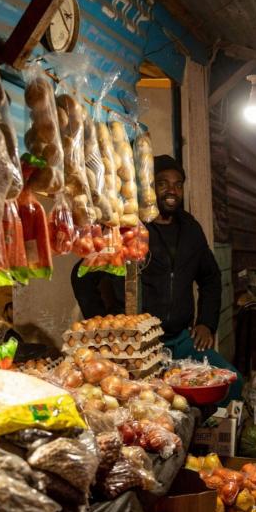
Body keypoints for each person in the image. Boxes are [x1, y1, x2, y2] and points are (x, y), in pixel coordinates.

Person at [71, 155, 242, 402]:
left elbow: (211, 278)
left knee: (232, 384)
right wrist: (102, 325)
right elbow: (82, 275)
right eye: (162, 183)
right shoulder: (130, 229)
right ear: (149, 189)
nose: (172, 190)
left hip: (181, 340)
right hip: (137, 346)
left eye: (178, 184)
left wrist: (206, 322)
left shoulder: (191, 229)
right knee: (152, 404)